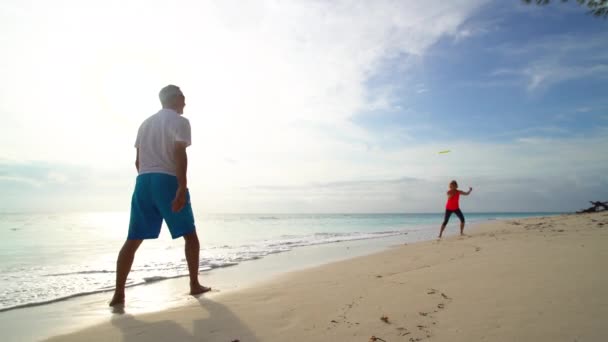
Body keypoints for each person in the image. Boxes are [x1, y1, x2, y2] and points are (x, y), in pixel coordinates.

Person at [109, 85, 210, 307]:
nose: (185, 103)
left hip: (143, 182)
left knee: (133, 239)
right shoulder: (180, 121)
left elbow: (137, 161)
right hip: (167, 180)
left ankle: (118, 294)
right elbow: (179, 153)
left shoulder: (145, 124)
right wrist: (181, 187)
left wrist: (149, 183)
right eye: (184, 98)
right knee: (190, 235)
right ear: (177, 98)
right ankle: (194, 283)